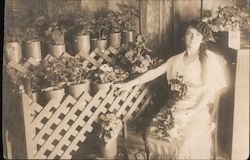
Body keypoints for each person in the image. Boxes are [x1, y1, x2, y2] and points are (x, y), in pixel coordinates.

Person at [114, 20, 227, 159]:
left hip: (197, 110)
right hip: (172, 108)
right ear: (184, 36)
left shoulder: (209, 58)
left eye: (197, 35)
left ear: (202, 39)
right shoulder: (175, 60)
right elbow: (153, 72)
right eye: (189, 34)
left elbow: (210, 91)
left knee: (186, 142)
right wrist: (129, 84)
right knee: (152, 135)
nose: (192, 38)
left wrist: (192, 111)